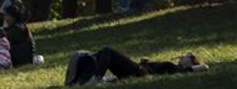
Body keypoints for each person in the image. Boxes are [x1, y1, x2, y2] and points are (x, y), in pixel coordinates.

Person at [66, 47, 209, 86]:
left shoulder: (178, 69)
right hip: (139, 70)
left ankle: (95, 79)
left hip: (141, 73)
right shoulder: (171, 67)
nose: (182, 56)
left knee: (108, 51)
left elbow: (205, 67)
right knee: (99, 55)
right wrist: (146, 62)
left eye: (186, 56)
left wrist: (191, 67)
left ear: (190, 62)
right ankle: (82, 79)